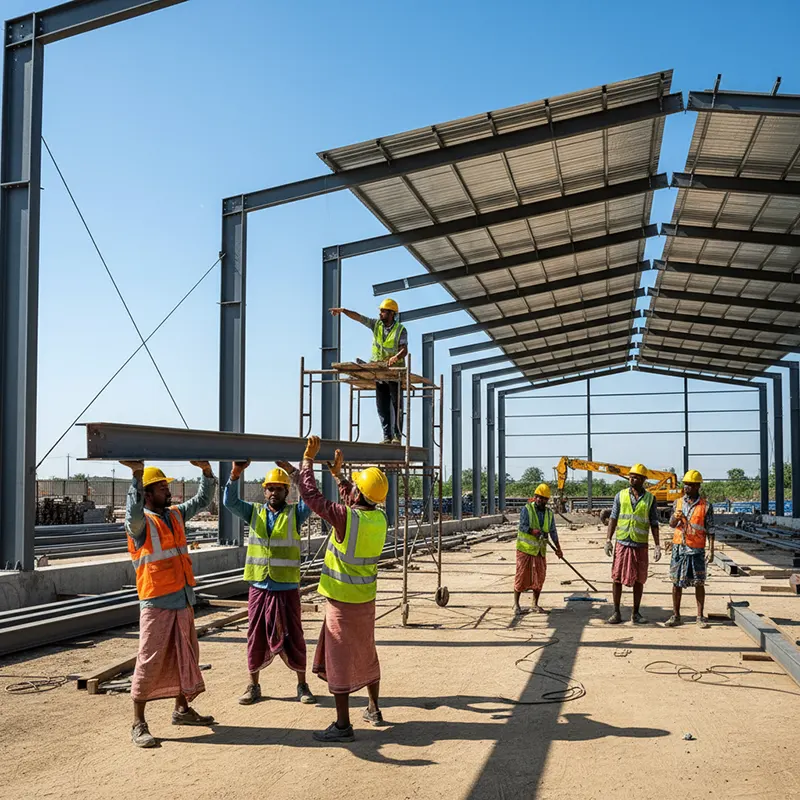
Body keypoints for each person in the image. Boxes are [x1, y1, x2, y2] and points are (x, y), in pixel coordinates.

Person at [286, 435, 388, 743]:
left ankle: (343, 725)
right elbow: (354, 499)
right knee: (367, 652)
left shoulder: (346, 518)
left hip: (342, 602)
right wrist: (339, 477)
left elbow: (312, 496)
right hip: (366, 600)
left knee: (340, 660)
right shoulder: (379, 518)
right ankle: (373, 708)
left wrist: (307, 462)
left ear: (359, 493)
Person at [121, 460, 218, 748]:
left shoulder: (175, 515)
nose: (169, 490)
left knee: (185, 654)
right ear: (148, 494)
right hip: (156, 600)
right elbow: (131, 516)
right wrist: (136, 476)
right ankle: (138, 722)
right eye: (163, 487)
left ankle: (182, 709)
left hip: (183, 597)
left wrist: (207, 472)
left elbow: (202, 500)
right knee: (149, 659)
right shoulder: (140, 525)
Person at [223, 462, 317, 705]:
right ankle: (253, 686)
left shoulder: (295, 513)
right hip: (259, 587)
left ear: (287, 492)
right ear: (264, 492)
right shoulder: (253, 512)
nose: (274, 493)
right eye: (270, 489)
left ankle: (302, 685)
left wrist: (296, 474)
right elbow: (229, 502)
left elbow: (312, 498)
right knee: (255, 636)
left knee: (294, 636)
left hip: (285, 588)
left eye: (279, 489)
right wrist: (234, 475)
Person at [329, 299, 408, 444]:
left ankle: (397, 436)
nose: (380, 313)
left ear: (391, 313)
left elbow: (404, 350)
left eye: (383, 311)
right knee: (381, 405)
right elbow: (360, 318)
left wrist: (395, 358)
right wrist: (344, 311)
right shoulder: (376, 325)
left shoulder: (400, 329)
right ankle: (387, 436)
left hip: (394, 372)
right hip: (378, 370)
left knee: (397, 405)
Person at [604, 463, 661, 625]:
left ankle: (636, 613)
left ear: (643, 479)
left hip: (640, 545)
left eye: (636, 476)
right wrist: (608, 540)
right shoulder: (620, 495)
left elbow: (654, 523)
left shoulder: (650, 498)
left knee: (639, 579)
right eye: (631, 476)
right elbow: (613, 518)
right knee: (616, 577)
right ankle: (616, 612)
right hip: (622, 543)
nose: (632, 478)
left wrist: (657, 545)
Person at [664, 470, 715, 629]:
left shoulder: (706, 506)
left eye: (691, 485)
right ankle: (676, 615)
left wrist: (711, 550)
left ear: (698, 486)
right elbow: (672, 524)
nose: (687, 487)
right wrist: (675, 518)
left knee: (699, 582)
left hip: (697, 549)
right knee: (676, 582)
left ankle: (700, 616)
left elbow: (710, 529)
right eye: (686, 484)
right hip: (679, 548)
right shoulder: (677, 503)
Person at [514, 483, 563, 615]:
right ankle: (516, 605)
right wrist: (533, 531)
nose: (541, 500)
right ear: (535, 497)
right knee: (521, 576)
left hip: (540, 551)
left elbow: (553, 531)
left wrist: (558, 548)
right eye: (539, 497)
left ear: (547, 500)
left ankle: (535, 604)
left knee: (539, 578)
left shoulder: (549, 513)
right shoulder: (527, 509)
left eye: (544, 498)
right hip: (525, 550)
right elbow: (522, 527)